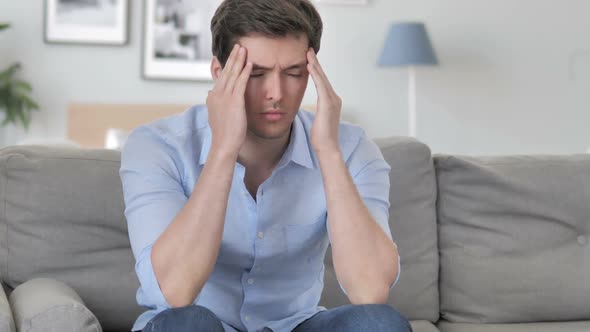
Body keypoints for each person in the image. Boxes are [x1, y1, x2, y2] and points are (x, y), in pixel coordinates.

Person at [120, 0, 412, 331]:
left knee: (379, 323)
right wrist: (223, 150)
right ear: (220, 74)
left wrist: (328, 152)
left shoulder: (352, 148)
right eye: (256, 74)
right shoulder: (158, 146)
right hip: (197, 325)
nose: (276, 93)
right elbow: (174, 291)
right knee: (185, 324)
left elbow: (370, 289)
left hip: (295, 325)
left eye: (293, 73)